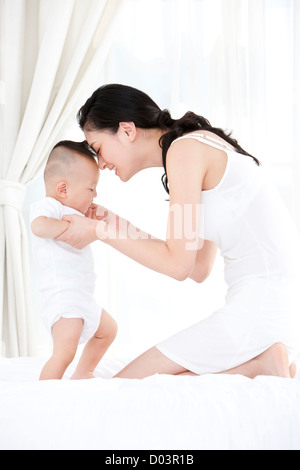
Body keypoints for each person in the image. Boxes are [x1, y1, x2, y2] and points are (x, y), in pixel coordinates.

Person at [57, 84, 300, 380]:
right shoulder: (191, 147)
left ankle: (261, 364)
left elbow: (178, 266)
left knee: (122, 388)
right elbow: (199, 267)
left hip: (261, 305)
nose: (101, 163)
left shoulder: (184, 151)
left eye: (98, 149)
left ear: (127, 130)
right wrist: (111, 223)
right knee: (148, 383)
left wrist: (98, 230)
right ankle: (260, 365)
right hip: (273, 304)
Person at [30, 140, 117, 380]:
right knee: (64, 353)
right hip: (64, 297)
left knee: (108, 331)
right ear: (63, 190)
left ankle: (84, 372)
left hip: (82, 296)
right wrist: (65, 226)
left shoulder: (74, 213)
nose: (95, 194)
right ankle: (44, 393)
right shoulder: (50, 207)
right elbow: (38, 226)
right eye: (91, 188)